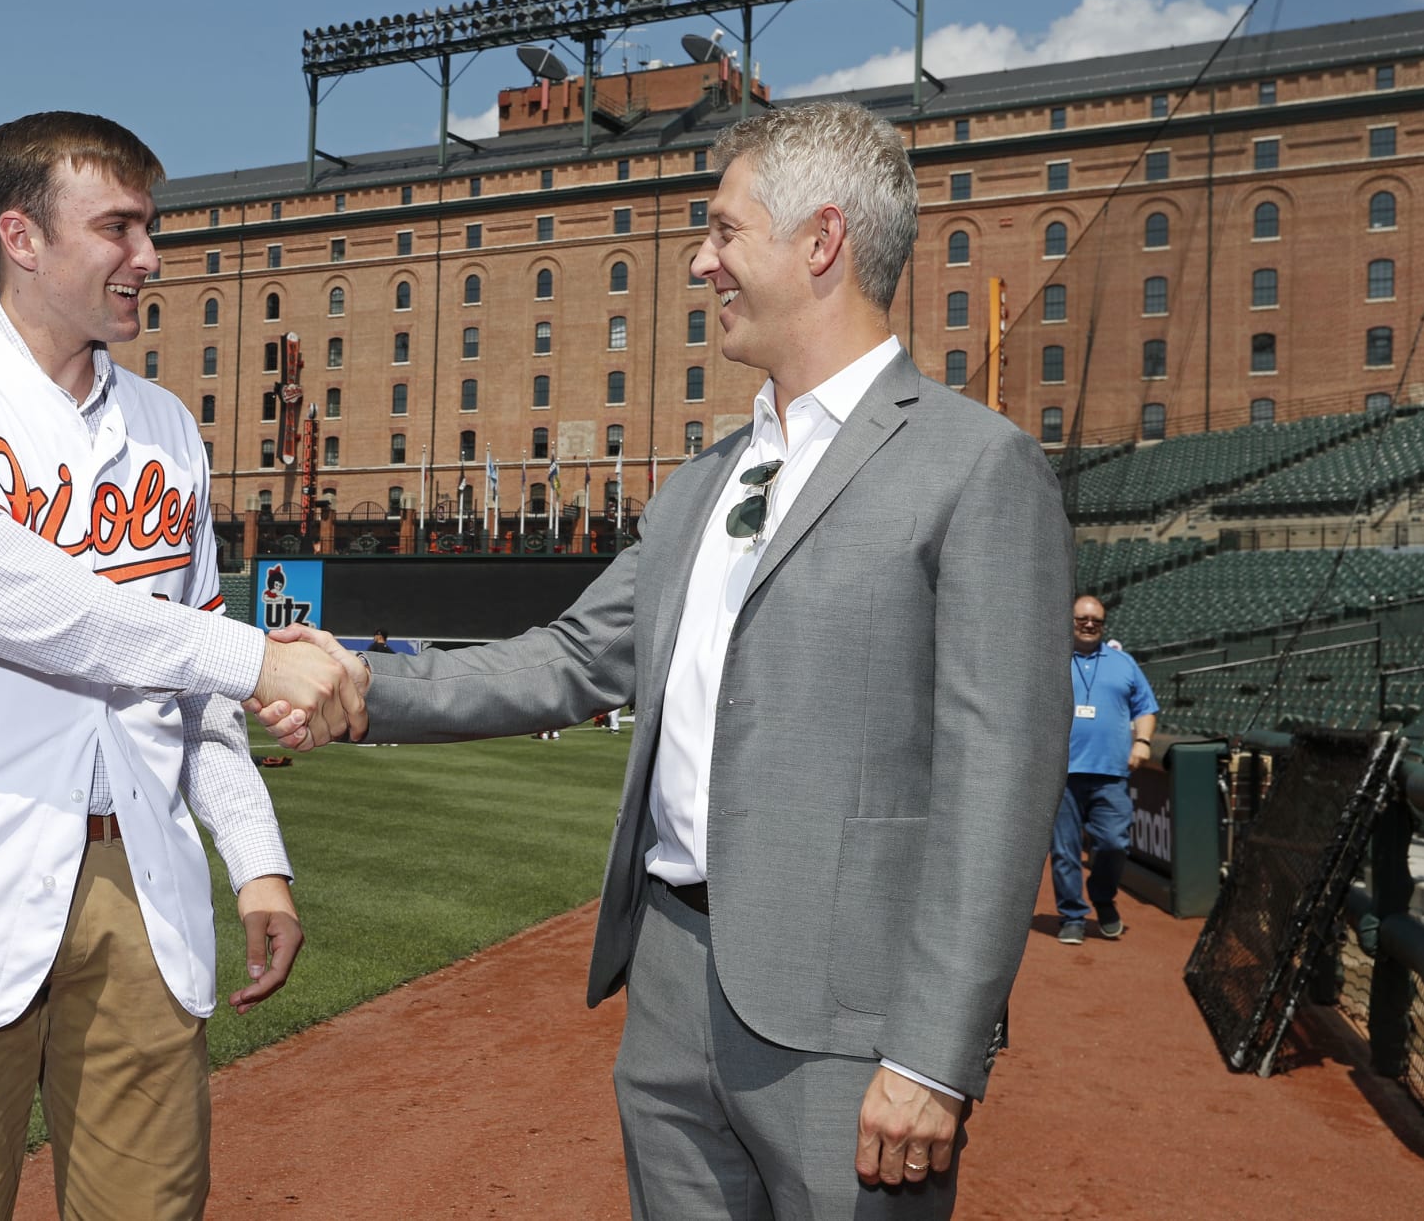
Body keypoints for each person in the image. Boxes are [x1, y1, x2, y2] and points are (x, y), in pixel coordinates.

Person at [260, 101, 1070, 1218]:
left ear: (821, 241)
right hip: (674, 987)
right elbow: (575, 658)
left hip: (851, 1024)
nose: (702, 262)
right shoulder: (707, 481)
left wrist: (934, 1057)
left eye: (725, 232)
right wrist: (368, 689)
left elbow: (1001, 780)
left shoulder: (976, 466)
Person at [0, 110, 361, 1221]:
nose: (149, 257)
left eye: (149, 225)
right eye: (117, 227)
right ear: (20, 236)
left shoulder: (166, 424)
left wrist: (256, 857)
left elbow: (189, 678)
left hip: (143, 888)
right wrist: (256, 652)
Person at [1053, 594, 1159, 945]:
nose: (1088, 624)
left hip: (1111, 773)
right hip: (1062, 773)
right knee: (1065, 851)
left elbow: (1146, 708)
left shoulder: (1123, 662)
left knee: (1114, 842)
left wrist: (1142, 742)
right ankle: (1072, 915)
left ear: (1103, 624)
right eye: (1081, 618)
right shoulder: (1052, 660)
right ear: (1069, 621)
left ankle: (1102, 896)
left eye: (1096, 620)